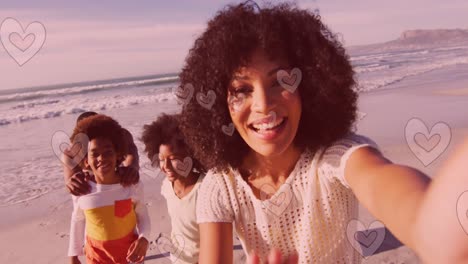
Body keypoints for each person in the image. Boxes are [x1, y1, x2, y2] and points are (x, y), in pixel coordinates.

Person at [176, 2, 468, 264]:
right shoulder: (221, 186)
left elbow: (389, 187)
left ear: (309, 86)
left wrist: (435, 227)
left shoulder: (335, 159)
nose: (263, 104)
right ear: (218, 105)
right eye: (241, 90)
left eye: (280, 81)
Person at [67, 114, 150, 264]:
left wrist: (144, 238)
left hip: (129, 256)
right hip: (96, 257)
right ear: (86, 161)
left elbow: (142, 212)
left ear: (118, 155)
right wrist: (73, 254)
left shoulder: (131, 184)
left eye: (108, 152)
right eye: (95, 154)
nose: (102, 158)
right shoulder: (82, 189)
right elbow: (77, 219)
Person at [141, 113, 206, 263]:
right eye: (162, 159)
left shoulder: (204, 189)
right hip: (178, 259)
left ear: (192, 155)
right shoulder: (166, 186)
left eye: (173, 158)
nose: (166, 166)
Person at [62, 111, 140, 195]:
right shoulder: (77, 145)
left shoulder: (122, 135)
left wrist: (132, 167)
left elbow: (132, 151)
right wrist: (71, 177)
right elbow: (68, 156)